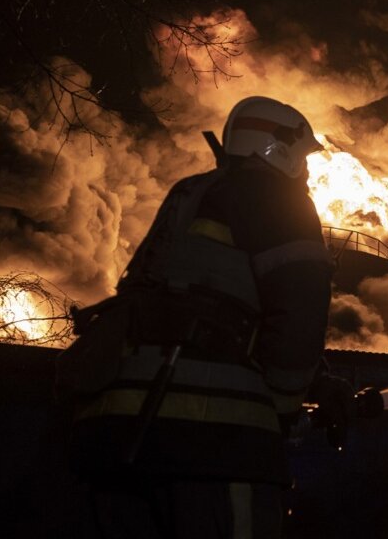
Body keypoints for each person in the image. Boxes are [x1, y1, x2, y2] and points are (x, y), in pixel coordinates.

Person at [59, 97, 336, 538]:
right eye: (302, 158)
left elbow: (185, 298)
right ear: (279, 149)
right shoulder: (281, 199)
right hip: (215, 446)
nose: (304, 172)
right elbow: (299, 318)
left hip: (111, 437)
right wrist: (285, 408)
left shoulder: (189, 194)